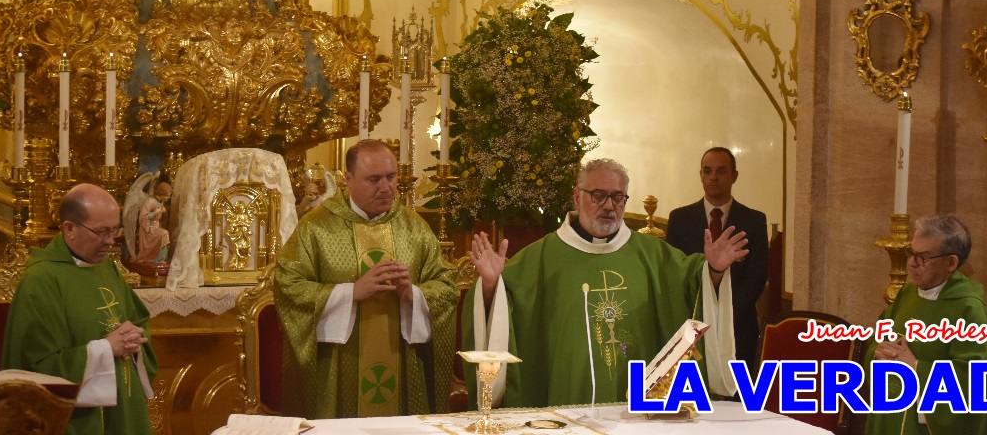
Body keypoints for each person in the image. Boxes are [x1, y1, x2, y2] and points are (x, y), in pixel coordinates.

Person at [466, 158, 747, 407]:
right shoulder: (540, 257)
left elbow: (694, 289)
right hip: (564, 407)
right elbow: (505, 310)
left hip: (636, 407)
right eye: (598, 195)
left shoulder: (653, 256)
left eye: (618, 197)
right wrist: (491, 285)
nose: (609, 205)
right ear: (577, 197)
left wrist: (714, 270)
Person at [274, 139, 457, 418]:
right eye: (374, 179)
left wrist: (412, 294)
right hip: (339, 368)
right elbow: (288, 286)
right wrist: (350, 293)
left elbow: (446, 285)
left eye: (391, 177)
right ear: (348, 179)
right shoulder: (315, 227)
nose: (386, 187)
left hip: (402, 363)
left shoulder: (414, 227)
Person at [3, 183, 157, 435]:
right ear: (69, 228)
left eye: (114, 230)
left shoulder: (106, 267)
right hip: (76, 421)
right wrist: (107, 349)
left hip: (123, 410)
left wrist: (134, 338)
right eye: (101, 232)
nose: (110, 242)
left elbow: (137, 319)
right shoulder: (41, 280)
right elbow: (37, 368)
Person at [861, 214, 987, 435]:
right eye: (911, 253)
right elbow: (877, 341)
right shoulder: (907, 294)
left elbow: (974, 384)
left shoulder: (969, 310)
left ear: (951, 263)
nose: (911, 264)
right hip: (891, 416)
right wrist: (878, 353)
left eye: (923, 257)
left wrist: (916, 367)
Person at [666, 146, 768, 367]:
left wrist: (723, 311)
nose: (713, 177)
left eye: (721, 171)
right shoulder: (680, 219)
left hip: (739, 327)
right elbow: (673, 272)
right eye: (707, 171)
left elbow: (757, 276)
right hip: (691, 325)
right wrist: (703, 310)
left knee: (737, 396)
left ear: (734, 176)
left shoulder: (754, 221)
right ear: (700, 175)